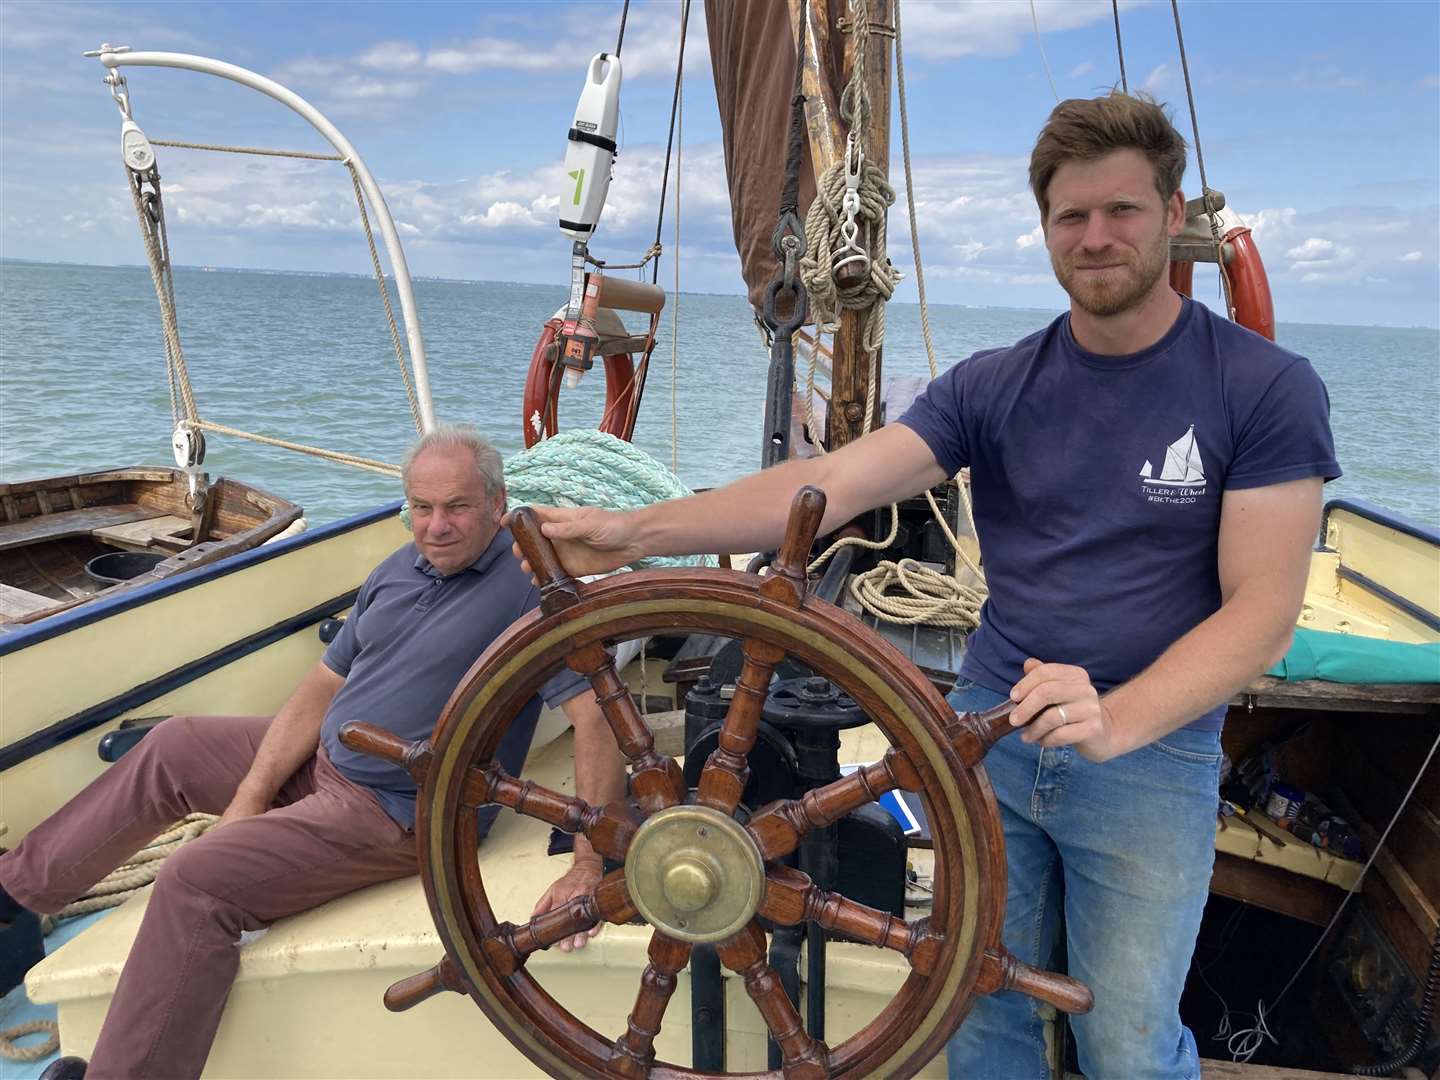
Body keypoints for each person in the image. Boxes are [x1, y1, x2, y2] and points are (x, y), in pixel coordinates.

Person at [510, 92, 1339, 1079]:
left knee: (1123, 1039)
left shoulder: (1263, 387)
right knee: (975, 1007)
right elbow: (826, 487)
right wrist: (629, 533)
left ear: (1170, 216)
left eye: (1122, 210)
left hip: (1149, 756)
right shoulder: (995, 386)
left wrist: (1118, 717)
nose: (1096, 236)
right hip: (987, 731)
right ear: (1045, 231)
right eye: (1071, 217)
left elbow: (1262, 610)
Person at [0, 423, 625, 1080]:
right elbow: (324, 684)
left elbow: (598, 719)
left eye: (458, 507)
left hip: (400, 812)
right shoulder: (398, 568)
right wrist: (250, 797)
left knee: (195, 881)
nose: (436, 525)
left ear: (497, 506)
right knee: (173, 746)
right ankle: (15, 895)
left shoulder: (530, 588)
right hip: (328, 765)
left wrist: (587, 863)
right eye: (422, 506)